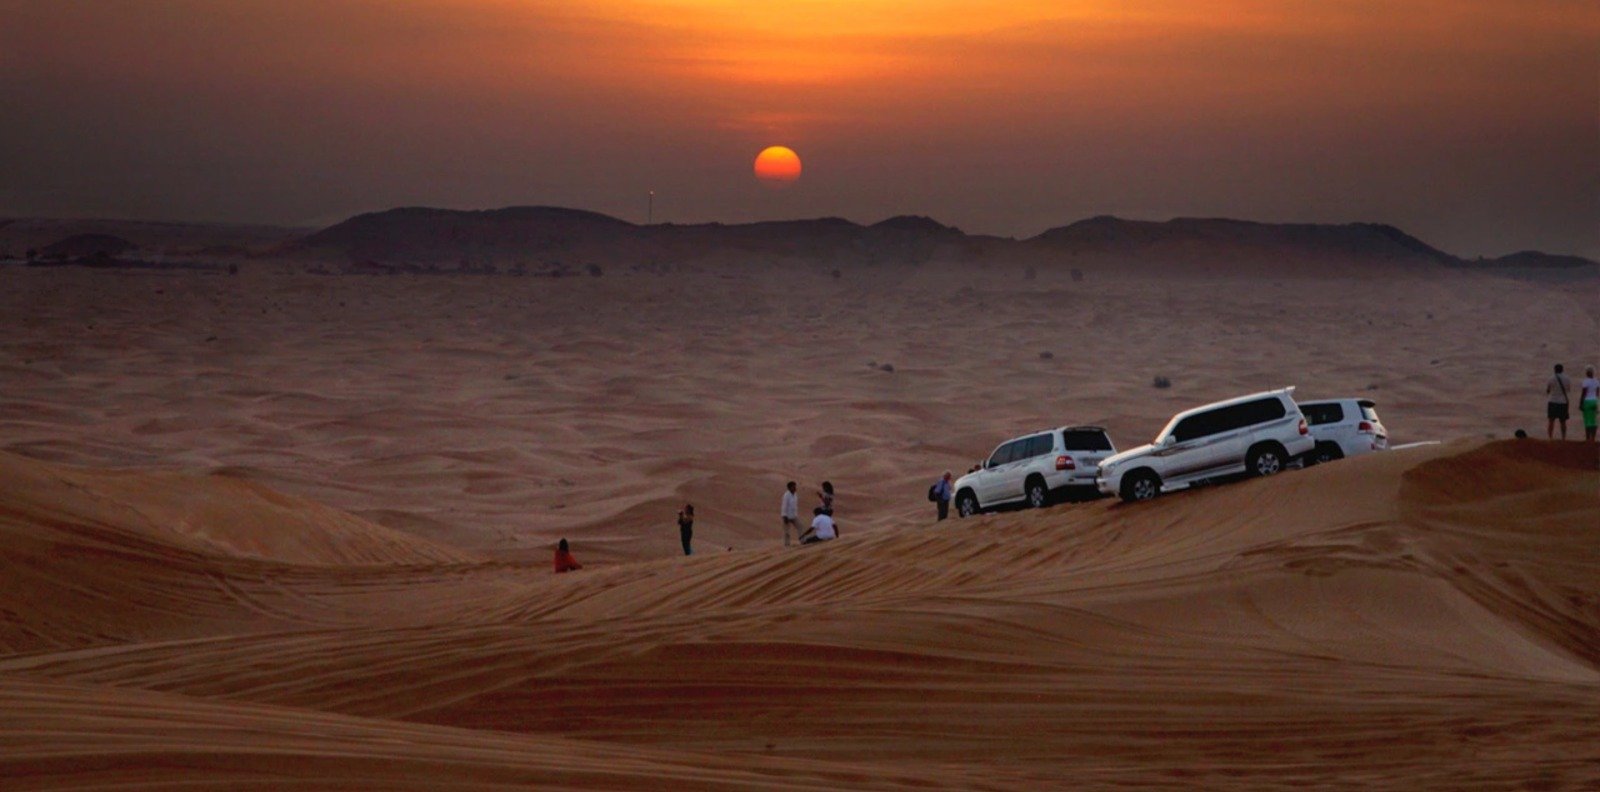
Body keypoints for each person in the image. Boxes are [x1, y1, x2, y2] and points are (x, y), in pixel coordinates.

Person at [1547, 363, 1571, 440]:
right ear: (1562, 370)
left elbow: (1548, 390)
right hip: (1563, 402)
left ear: (1554, 370)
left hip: (1552, 401)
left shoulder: (1551, 378)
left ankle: (1550, 438)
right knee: (1563, 422)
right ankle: (1563, 438)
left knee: (1551, 421)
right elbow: (1568, 390)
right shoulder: (1567, 378)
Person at [1580, 365, 1599, 442]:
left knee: (1587, 420)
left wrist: (1581, 403)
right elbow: (1598, 393)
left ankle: (1588, 438)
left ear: (1587, 373)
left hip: (1587, 401)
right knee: (1594, 420)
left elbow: (1584, 393)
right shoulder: (1597, 381)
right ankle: (1593, 438)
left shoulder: (1585, 381)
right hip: (1595, 401)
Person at [780, 481, 799, 547]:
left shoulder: (795, 495)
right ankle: (787, 544)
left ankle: (803, 540)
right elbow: (784, 506)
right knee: (787, 531)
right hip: (787, 516)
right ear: (789, 487)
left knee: (800, 527)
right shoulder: (786, 495)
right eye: (793, 486)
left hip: (794, 515)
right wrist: (784, 515)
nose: (795, 488)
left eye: (795, 486)